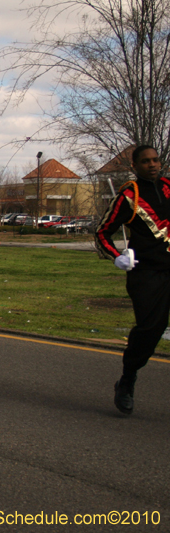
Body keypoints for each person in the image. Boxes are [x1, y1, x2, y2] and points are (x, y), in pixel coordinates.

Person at [95, 145, 170, 415]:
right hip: (147, 275)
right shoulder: (129, 195)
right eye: (146, 161)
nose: (152, 165)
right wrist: (116, 256)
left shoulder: (169, 187)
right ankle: (127, 378)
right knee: (150, 330)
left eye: (156, 160)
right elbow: (102, 232)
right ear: (135, 166)